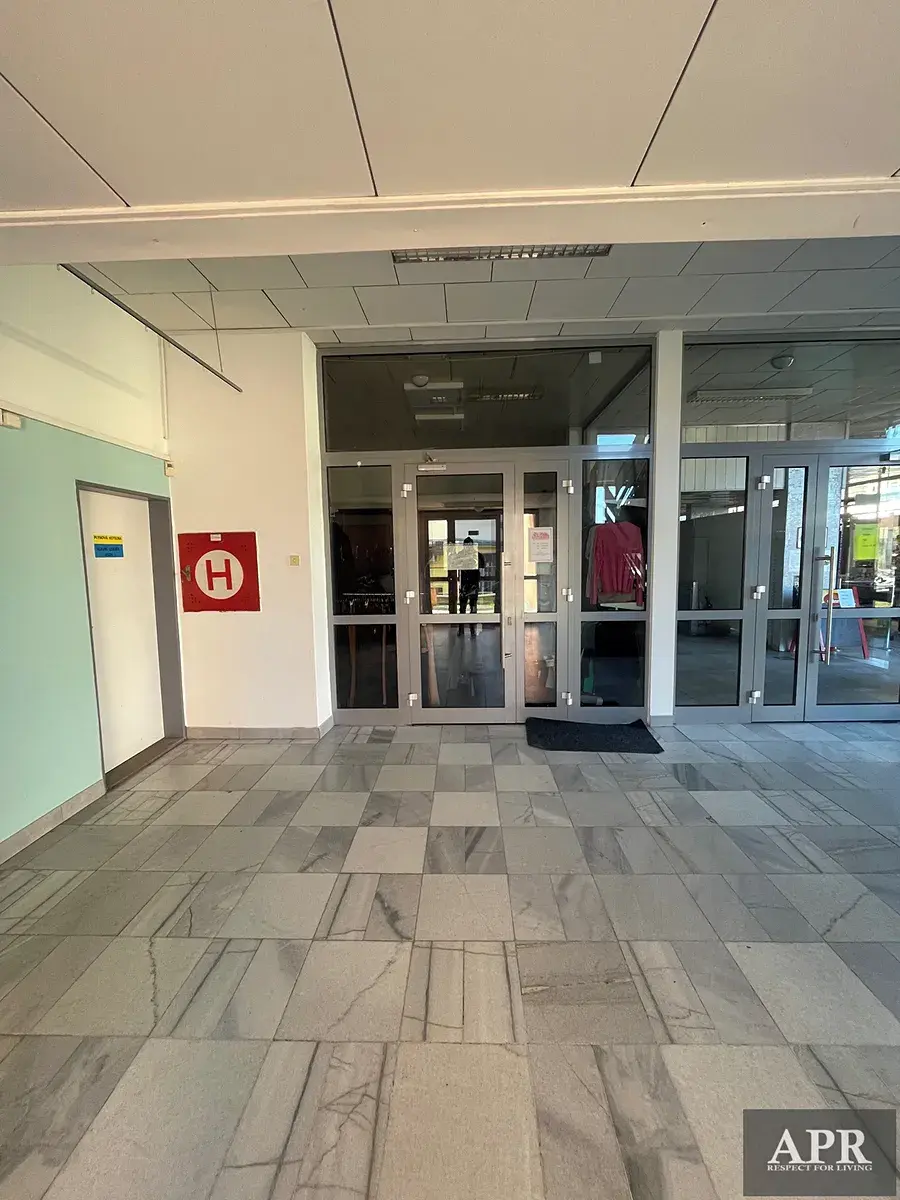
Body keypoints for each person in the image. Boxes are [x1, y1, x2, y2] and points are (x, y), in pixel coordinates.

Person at [458, 536, 484, 636]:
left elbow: (482, 567)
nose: (468, 547)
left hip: (473, 585)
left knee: (473, 608)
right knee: (462, 608)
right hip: (464, 585)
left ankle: (472, 630)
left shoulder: (477, 555)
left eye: (469, 545)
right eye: (466, 545)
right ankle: (461, 629)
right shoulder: (461, 555)